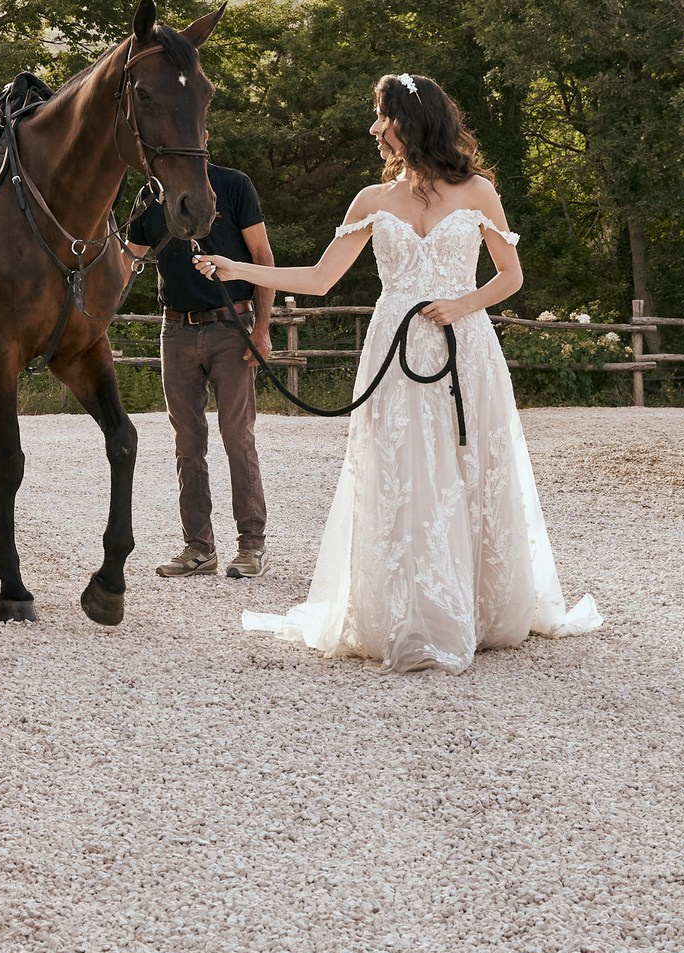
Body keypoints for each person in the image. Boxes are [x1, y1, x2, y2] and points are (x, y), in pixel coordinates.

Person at [194, 73, 601, 672]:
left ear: (411, 121)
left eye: (382, 116)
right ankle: (411, 611)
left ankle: (478, 606)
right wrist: (236, 269)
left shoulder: (479, 192)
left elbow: (511, 277)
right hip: (394, 349)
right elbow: (318, 279)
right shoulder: (371, 201)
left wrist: (461, 304)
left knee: (467, 465)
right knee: (404, 471)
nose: (375, 128)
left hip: (465, 348)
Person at [128, 161, 277, 579]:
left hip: (231, 325)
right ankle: (198, 547)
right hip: (174, 330)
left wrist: (262, 329)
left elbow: (262, 255)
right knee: (187, 444)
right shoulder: (150, 196)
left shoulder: (233, 184)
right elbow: (127, 260)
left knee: (237, 436)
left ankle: (251, 545)